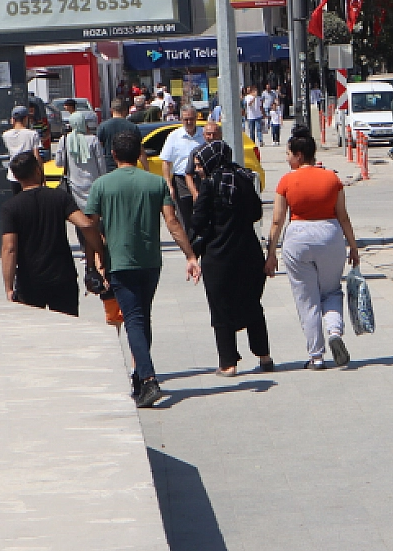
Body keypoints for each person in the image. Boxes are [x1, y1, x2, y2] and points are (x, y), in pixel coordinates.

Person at [86, 130, 201, 408]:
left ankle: (148, 379)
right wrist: (190, 255)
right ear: (140, 154)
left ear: (113, 154)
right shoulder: (155, 183)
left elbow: (89, 226)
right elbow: (172, 222)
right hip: (150, 262)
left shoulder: (101, 185)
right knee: (142, 316)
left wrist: (95, 258)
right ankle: (140, 379)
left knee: (133, 319)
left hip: (119, 261)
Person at [264, 126, 360, 370]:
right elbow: (343, 216)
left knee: (306, 299)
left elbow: (277, 220)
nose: (287, 159)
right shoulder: (332, 179)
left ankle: (316, 356)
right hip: (330, 235)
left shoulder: (286, 181)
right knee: (331, 291)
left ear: (298, 155)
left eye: (288, 154)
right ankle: (335, 331)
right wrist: (353, 246)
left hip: (298, 238)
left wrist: (271, 253)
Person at [190, 140, 274, 376]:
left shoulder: (210, 184)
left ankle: (228, 364)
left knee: (220, 309)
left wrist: (192, 249)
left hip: (218, 258)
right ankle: (264, 357)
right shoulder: (245, 178)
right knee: (252, 305)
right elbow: (256, 213)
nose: (197, 169)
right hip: (249, 255)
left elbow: (197, 222)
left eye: (199, 164)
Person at [1, 151, 106, 316]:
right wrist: (99, 252)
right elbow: (85, 225)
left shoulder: (11, 207)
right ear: (38, 170)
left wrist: (8, 287)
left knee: (34, 327)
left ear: (16, 177)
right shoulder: (59, 197)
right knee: (67, 326)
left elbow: (10, 248)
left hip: (30, 280)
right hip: (62, 277)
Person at [158, 104, 204, 235]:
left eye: (191, 119)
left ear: (196, 118)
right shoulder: (174, 136)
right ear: (181, 119)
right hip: (181, 181)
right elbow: (166, 162)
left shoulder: (204, 134)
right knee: (185, 216)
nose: (189, 122)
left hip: (201, 179)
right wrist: (169, 185)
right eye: (185, 119)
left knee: (203, 212)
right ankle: (189, 242)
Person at [1, 106, 42, 197]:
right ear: (26, 118)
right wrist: (41, 174)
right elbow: (36, 156)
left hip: (13, 174)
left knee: (18, 199)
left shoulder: (6, 135)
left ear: (13, 119)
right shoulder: (32, 134)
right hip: (30, 174)